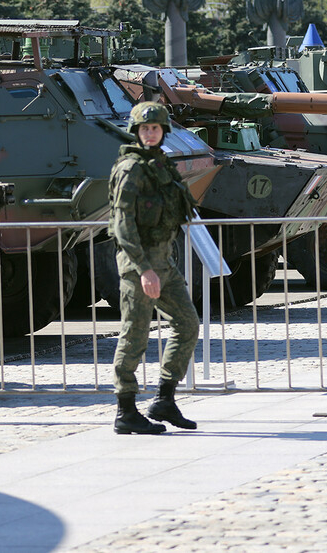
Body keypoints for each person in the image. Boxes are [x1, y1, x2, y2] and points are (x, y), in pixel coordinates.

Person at [108, 100, 200, 435]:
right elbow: (122, 226)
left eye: (155, 128)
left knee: (188, 323)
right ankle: (125, 410)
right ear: (136, 132)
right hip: (139, 265)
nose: (150, 133)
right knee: (135, 334)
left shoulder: (160, 165)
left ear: (163, 132)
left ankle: (165, 399)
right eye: (145, 129)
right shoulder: (131, 168)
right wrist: (144, 269)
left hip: (164, 261)